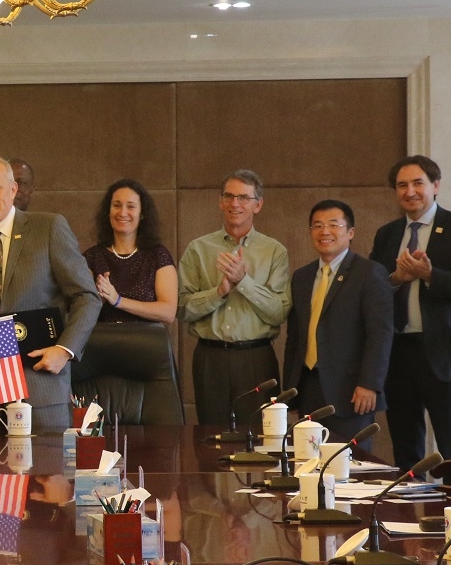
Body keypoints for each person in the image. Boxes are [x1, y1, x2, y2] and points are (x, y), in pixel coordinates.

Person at [0, 155, 99, 433]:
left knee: (44, 461)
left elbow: (87, 296)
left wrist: (65, 350)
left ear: (13, 189)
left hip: (38, 388)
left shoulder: (48, 228)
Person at [370, 155, 451, 470]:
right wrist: (396, 278)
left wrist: (430, 275)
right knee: (406, 449)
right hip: (398, 354)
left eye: (418, 183)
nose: (410, 192)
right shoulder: (387, 234)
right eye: (402, 185)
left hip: (445, 353)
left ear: (435, 186)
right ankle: (410, 502)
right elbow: (373, 289)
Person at [177, 170, 291, 430]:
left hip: (256, 358)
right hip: (210, 358)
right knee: (212, 438)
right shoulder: (198, 249)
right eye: (228, 196)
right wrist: (219, 292)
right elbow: (182, 308)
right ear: (220, 201)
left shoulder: (274, 251)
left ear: (258, 205)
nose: (235, 204)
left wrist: (244, 282)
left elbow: (278, 312)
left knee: (261, 437)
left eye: (243, 197)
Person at [282, 201, 392, 439]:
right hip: (308, 387)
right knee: (307, 457)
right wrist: (289, 392)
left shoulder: (369, 273)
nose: (325, 231)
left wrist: (369, 383)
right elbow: (295, 338)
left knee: (349, 460)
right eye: (317, 226)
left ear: (350, 232)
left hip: (351, 391)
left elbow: (380, 334)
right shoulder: (301, 276)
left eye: (334, 225)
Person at [83, 179, 178, 324]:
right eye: (116, 205)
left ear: (142, 214)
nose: (123, 213)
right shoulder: (91, 257)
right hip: (101, 337)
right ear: (108, 212)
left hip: (146, 338)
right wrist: (98, 298)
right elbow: (78, 311)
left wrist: (118, 300)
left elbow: (168, 313)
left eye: (131, 206)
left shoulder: (158, 255)